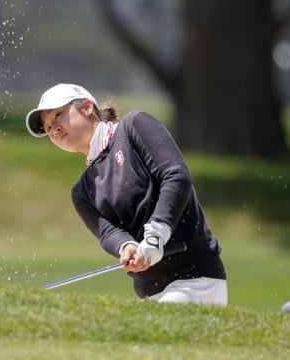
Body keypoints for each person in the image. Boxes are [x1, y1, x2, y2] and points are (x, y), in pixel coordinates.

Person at [25, 83, 227, 305]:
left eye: (58, 115)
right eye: (47, 127)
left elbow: (177, 177)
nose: (54, 128)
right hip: (150, 291)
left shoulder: (134, 127)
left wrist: (156, 234)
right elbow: (109, 232)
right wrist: (127, 247)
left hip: (195, 278)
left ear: (86, 108)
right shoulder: (82, 192)